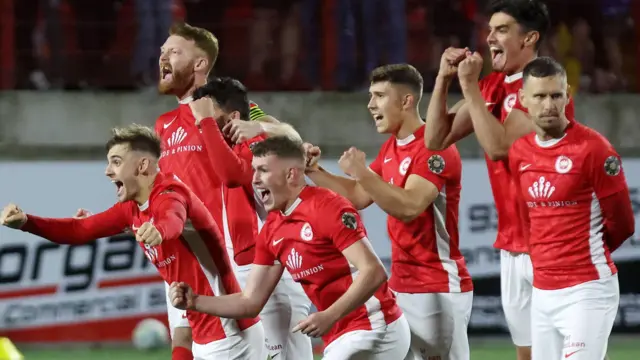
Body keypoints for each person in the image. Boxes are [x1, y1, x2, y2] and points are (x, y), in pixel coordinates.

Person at [0, 124, 266, 360]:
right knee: (181, 336)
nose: (107, 171)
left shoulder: (171, 194)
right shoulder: (131, 208)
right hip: (208, 331)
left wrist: (159, 231)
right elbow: (79, 230)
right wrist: (26, 222)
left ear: (142, 166)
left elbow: (172, 218)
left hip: (230, 335)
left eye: (116, 162)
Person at [168, 136, 410, 360]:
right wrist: (196, 301)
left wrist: (329, 316)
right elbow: (249, 302)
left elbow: (374, 272)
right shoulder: (272, 229)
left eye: (263, 170)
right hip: (340, 335)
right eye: (254, 170)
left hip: (376, 326)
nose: (254, 179)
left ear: (292, 174)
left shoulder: (328, 207)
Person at [423, 2, 564, 358]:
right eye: (490, 29)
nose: (490, 38)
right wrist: (443, 79)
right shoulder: (490, 86)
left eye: (502, 29)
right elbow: (434, 140)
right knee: (528, 353)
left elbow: (500, 146)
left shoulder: (546, 90)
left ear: (529, 37)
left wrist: (470, 88)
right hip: (514, 245)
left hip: (551, 244)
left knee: (573, 350)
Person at [304, 64, 473, 360]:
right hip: (401, 284)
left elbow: (408, 207)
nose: (371, 105)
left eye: (380, 95)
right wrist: (313, 170)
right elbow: (358, 195)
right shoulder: (393, 148)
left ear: (406, 101)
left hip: (437, 287)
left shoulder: (435, 147)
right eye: (371, 96)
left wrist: (362, 172)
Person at [154, 22, 299, 358]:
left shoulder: (228, 109)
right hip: (190, 255)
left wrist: (260, 124)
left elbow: (292, 139)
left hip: (244, 258)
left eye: (173, 51)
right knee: (188, 339)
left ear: (200, 63)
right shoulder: (164, 125)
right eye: (162, 51)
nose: (162, 57)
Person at [508, 57, 634, 360]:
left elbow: (624, 223)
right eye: (539, 96)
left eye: (556, 95)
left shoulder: (594, 149)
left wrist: (582, 253)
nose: (548, 104)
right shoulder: (519, 152)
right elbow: (529, 220)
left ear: (568, 96)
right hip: (542, 292)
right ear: (524, 100)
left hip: (587, 290)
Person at [189, 77, 314, 360]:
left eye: (209, 115)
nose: (201, 122)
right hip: (250, 272)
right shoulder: (228, 146)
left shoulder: (255, 143)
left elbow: (233, 176)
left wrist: (209, 122)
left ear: (233, 118)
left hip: (274, 276)